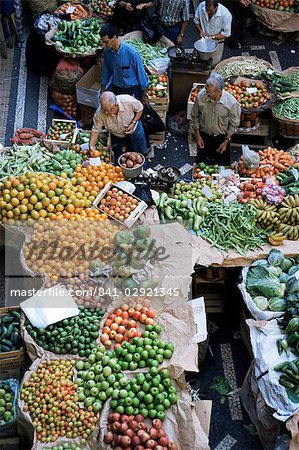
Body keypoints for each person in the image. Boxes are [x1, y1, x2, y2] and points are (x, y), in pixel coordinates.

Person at [191, 73, 241, 165]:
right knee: (201, 165)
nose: (207, 94)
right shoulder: (201, 96)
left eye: (210, 92)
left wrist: (226, 141)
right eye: (206, 90)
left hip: (221, 138)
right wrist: (197, 136)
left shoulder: (232, 103)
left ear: (219, 91)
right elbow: (195, 116)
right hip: (204, 136)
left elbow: (234, 124)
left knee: (222, 166)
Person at [89, 92, 148, 163]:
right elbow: (95, 130)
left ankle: (143, 170)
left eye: (108, 110)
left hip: (134, 129)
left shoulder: (128, 101)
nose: (106, 113)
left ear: (116, 105)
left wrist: (133, 122)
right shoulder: (100, 113)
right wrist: (91, 146)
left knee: (140, 153)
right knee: (120, 157)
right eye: (103, 109)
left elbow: (140, 108)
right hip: (117, 135)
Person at [99, 24, 149, 102]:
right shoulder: (107, 52)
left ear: (114, 37)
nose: (104, 45)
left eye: (106, 42)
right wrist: (102, 90)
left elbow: (141, 74)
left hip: (132, 90)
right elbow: (106, 72)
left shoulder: (132, 53)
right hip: (117, 89)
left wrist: (144, 94)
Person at [193, 0, 232, 67]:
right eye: (207, 10)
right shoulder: (201, 6)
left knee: (214, 64)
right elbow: (196, 21)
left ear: (216, 7)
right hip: (203, 40)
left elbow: (226, 34)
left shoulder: (226, 15)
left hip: (217, 44)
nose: (208, 12)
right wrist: (200, 31)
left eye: (210, 11)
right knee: (200, 63)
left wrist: (213, 37)